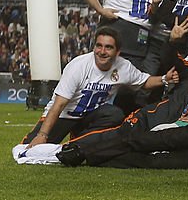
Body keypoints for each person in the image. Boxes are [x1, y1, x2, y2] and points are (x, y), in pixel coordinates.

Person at [55, 60, 188, 167]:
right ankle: (70, 149)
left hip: (169, 137)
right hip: (148, 118)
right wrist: (173, 39)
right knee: (119, 135)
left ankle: (84, 154)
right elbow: (173, 57)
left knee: (132, 151)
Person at [20, 27, 179, 147]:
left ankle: (79, 142)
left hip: (89, 117)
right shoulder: (78, 66)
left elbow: (144, 82)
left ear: (117, 52)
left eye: (108, 47)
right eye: (99, 46)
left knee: (114, 114)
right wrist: (42, 134)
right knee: (29, 149)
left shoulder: (123, 66)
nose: (102, 52)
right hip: (64, 116)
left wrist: (165, 79)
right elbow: (59, 104)